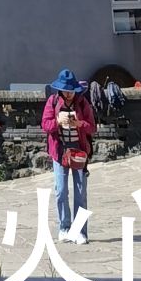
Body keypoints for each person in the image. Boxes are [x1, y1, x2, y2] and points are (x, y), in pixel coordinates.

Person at [42, 67, 97, 242]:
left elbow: (92, 127)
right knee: (61, 190)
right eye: (65, 92)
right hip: (59, 151)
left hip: (79, 151)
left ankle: (80, 231)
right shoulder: (52, 102)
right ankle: (64, 227)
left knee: (80, 192)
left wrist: (79, 123)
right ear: (60, 90)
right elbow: (45, 125)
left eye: (71, 91)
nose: (68, 95)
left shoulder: (82, 103)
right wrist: (58, 121)